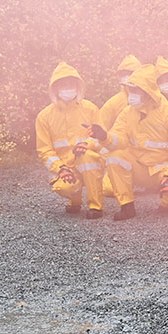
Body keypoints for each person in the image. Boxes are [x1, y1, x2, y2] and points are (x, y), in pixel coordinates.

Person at [88, 64, 168, 220]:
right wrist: (104, 137)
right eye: (130, 90)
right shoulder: (128, 112)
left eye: (135, 90)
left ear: (147, 92)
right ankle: (127, 206)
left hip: (161, 171)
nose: (131, 95)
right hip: (138, 167)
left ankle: (166, 204)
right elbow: (118, 139)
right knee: (115, 157)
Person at [35, 62, 105, 219]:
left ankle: (96, 206)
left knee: (88, 158)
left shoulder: (91, 109)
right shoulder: (44, 116)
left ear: (78, 85)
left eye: (71, 83)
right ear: (55, 88)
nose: (68, 88)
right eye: (63, 84)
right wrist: (60, 168)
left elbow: (100, 140)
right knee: (63, 187)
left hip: (86, 159)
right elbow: (44, 150)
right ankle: (75, 201)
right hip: (65, 166)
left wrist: (87, 145)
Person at [99, 54, 142, 132]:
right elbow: (100, 129)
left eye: (130, 73)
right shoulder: (113, 104)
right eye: (123, 74)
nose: (127, 76)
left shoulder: (152, 100)